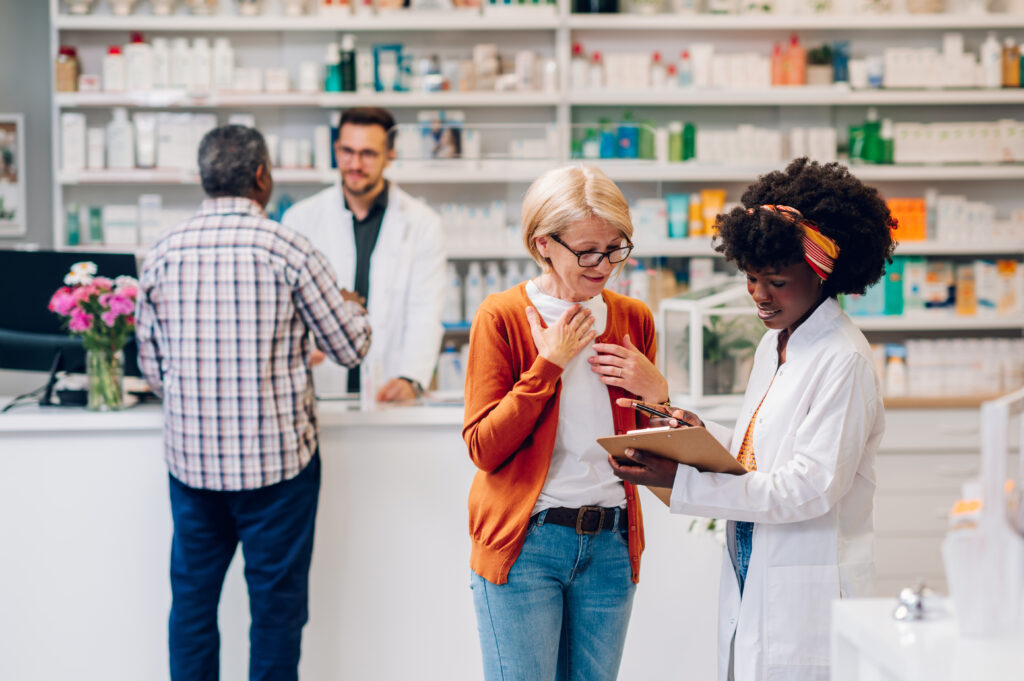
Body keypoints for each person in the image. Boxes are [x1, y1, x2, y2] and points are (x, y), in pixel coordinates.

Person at [610, 157, 895, 681]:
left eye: (777, 281)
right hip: (753, 564)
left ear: (823, 274)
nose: (760, 296)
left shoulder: (843, 359)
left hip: (805, 588)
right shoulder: (776, 343)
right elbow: (760, 449)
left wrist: (684, 481)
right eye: (751, 279)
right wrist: (696, 431)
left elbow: (808, 489)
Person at [135, 125, 372, 681]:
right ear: (262, 176)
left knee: (192, 606)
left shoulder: (163, 252)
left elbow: (151, 368)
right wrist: (350, 305)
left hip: (192, 469)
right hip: (278, 473)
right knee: (276, 612)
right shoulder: (290, 248)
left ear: (204, 179)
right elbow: (350, 344)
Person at [463, 165, 670, 681]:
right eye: (587, 251)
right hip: (527, 543)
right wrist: (548, 365)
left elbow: (656, 452)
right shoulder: (503, 316)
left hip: (610, 546)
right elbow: (483, 448)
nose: (604, 265)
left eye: (615, 247)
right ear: (544, 244)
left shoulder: (633, 319)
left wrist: (659, 395)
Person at [283, 106, 445, 401]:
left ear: (390, 155)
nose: (354, 164)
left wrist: (411, 377)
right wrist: (299, 347)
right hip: (318, 389)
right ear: (335, 149)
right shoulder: (300, 219)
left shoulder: (423, 224)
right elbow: (286, 310)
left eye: (368, 154)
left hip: (390, 389)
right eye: (347, 151)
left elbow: (425, 311)